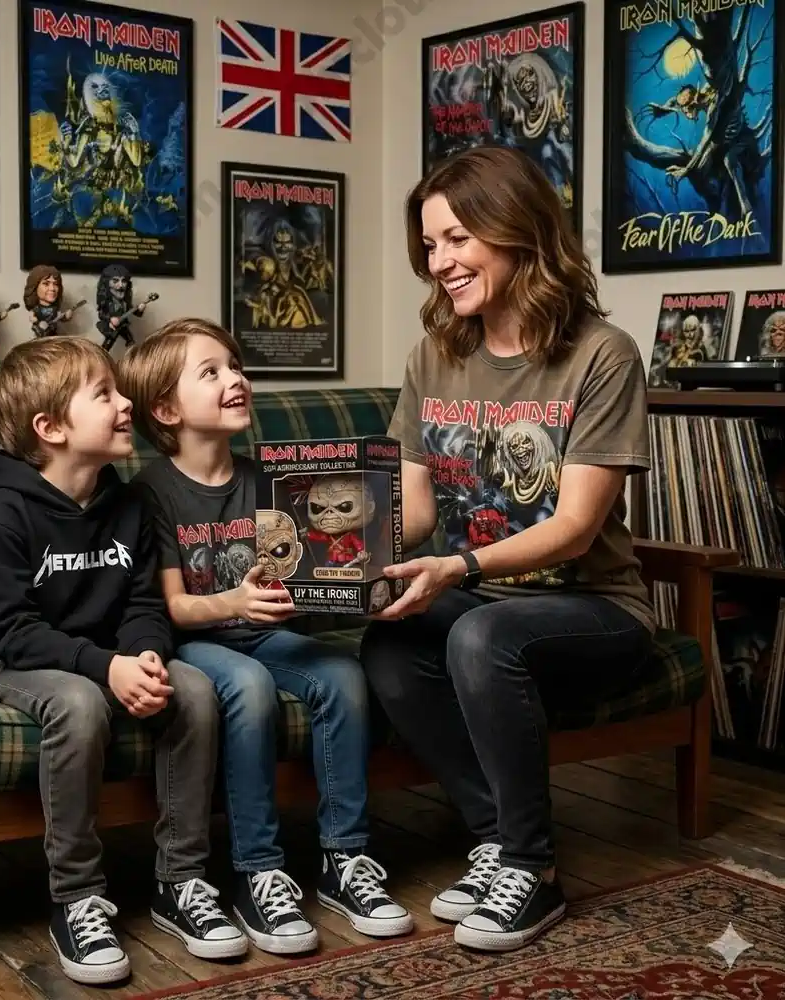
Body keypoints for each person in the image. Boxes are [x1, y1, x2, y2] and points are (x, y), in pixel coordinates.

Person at [360, 145, 655, 953]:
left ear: (515, 228)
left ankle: (535, 869)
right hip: (482, 602)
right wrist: (342, 554)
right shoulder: (435, 356)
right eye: (429, 246)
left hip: (593, 610)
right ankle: (495, 839)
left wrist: (457, 569)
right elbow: (414, 510)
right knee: (389, 635)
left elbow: (576, 528)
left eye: (456, 239)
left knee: (477, 632)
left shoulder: (602, 354)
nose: (440, 263)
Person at [0, 336, 247, 986]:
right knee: (80, 705)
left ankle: (182, 881)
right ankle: (77, 895)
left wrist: (142, 658)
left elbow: (146, 602)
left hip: (105, 654)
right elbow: (11, 629)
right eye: (105, 394)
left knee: (191, 689)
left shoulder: (130, 503)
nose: (124, 405)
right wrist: (102, 667)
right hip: (13, 658)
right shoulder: (3, 514)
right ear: (51, 428)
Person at [122, 318, 413, 955]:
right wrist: (234, 600)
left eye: (235, 366)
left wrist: (356, 584)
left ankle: (346, 860)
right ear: (166, 409)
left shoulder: (268, 479)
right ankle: (259, 869)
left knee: (341, 673)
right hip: (198, 643)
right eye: (212, 372)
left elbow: (301, 575)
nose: (235, 379)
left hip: (264, 636)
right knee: (249, 687)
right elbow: (171, 606)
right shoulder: (151, 493)